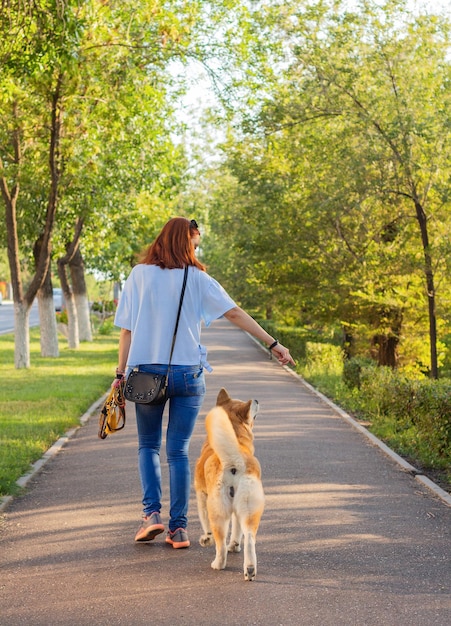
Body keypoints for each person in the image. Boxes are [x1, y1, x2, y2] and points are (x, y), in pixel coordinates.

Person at [113, 217, 295, 549]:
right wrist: (273, 344)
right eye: (194, 244)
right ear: (186, 243)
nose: (196, 250)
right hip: (187, 373)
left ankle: (151, 516)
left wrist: (119, 374)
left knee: (148, 446)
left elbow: (126, 329)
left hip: (146, 375)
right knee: (179, 451)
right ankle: (178, 530)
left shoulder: (139, 275)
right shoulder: (198, 279)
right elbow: (235, 313)